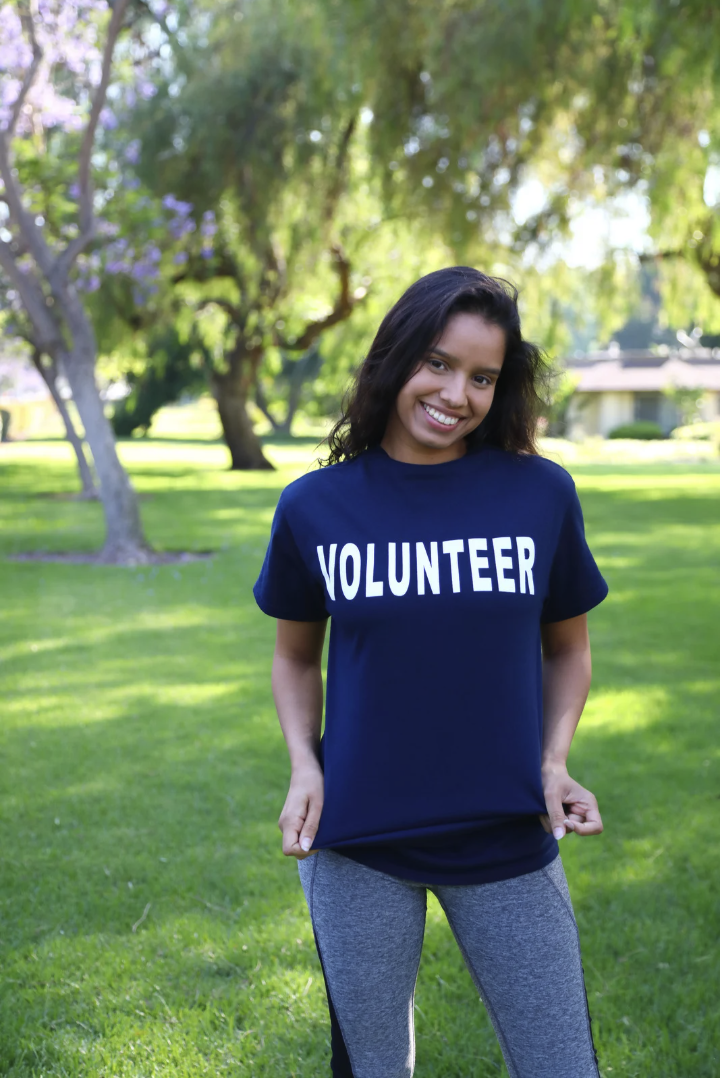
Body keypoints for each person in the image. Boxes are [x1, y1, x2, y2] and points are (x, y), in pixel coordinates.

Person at [253, 266, 608, 1078]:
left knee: (563, 1065)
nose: (458, 393)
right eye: (439, 363)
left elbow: (569, 648)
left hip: (507, 830)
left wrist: (555, 763)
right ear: (397, 358)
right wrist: (305, 767)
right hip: (360, 839)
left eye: (484, 377)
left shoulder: (540, 494)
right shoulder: (315, 507)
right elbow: (295, 656)